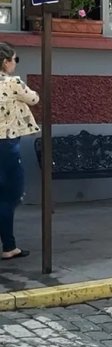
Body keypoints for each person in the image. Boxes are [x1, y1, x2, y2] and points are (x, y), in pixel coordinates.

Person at [0, 43, 39, 260]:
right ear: (6, 62)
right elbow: (34, 98)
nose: (15, 63)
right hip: (6, 145)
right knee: (9, 195)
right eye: (15, 59)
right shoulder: (12, 82)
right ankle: (9, 246)